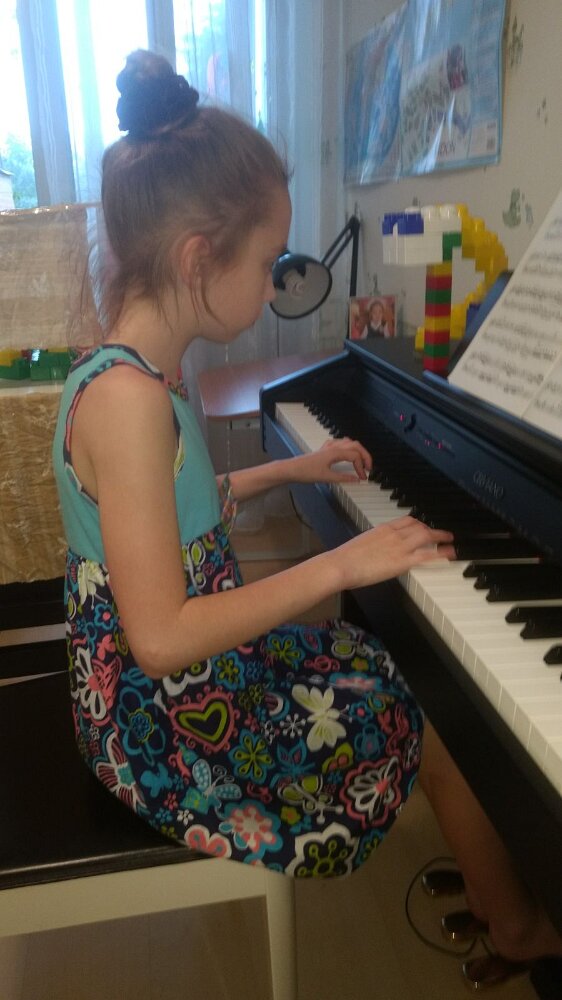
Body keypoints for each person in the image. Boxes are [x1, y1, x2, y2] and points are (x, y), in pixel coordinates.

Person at [53, 49, 562, 987]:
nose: (275, 284)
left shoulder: (141, 370)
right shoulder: (127, 404)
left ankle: (505, 895)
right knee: (421, 702)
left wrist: (290, 466)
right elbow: (161, 638)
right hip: (161, 721)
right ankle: (522, 924)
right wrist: (340, 564)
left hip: (176, 685)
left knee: (389, 665)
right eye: (269, 261)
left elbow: (177, 514)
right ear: (198, 258)